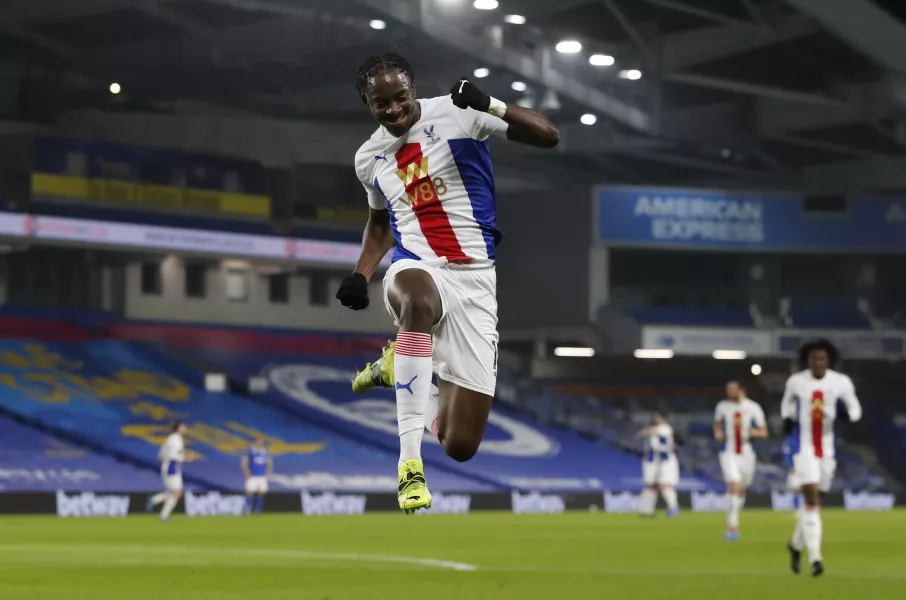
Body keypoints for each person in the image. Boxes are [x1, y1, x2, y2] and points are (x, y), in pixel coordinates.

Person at [335, 52, 559, 513]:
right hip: (418, 266)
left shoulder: (458, 112)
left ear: (412, 89)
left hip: (476, 281)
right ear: (366, 102)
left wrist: (489, 103)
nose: (394, 109)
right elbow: (380, 225)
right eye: (382, 103)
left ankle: (396, 366)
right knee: (415, 298)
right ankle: (409, 465)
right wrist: (361, 275)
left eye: (400, 98)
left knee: (460, 445)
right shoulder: (368, 158)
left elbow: (548, 135)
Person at [780, 339, 862, 576]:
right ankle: (816, 558)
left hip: (827, 450)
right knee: (812, 502)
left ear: (829, 360)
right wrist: (787, 418)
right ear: (806, 360)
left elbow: (856, 409)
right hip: (804, 447)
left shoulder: (840, 382)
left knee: (813, 504)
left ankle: (795, 544)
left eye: (822, 358)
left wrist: (849, 415)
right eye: (813, 358)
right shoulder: (797, 382)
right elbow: (787, 402)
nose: (818, 362)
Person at [713, 381, 768, 541]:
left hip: (746, 452)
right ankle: (732, 525)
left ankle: (732, 516)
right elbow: (717, 422)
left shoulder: (753, 408)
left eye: (732, 389)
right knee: (734, 484)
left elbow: (764, 431)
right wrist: (718, 432)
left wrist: (752, 432)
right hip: (728, 451)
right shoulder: (722, 407)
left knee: (742, 488)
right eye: (728, 389)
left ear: (741, 390)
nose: (729, 392)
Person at [636, 410, 680, 518]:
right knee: (651, 485)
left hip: (665, 459)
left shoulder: (665, 428)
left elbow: (649, 432)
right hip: (655, 460)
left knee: (664, 484)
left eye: (659, 417)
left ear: (664, 419)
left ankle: (673, 507)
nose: (656, 419)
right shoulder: (658, 429)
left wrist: (643, 432)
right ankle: (646, 510)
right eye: (655, 417)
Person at [146, 422, 186, 521]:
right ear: (178, 428)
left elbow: (160, 454)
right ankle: (163, 514)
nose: (185, 428)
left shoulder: (170, 439)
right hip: (172, 466)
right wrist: (183, 459)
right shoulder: (176, 439)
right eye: (183, 426)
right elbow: (175, 455)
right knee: (176, 492)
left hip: (169, 465)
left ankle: (155, 501)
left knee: (175, 492)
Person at [241, 437, 272, 515]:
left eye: (260, 442)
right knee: (250, 492)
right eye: (258, 442)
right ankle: (247, 509)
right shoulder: (250, 452)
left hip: (262, 476)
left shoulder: (265, 452)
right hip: (253, 476)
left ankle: (257, 510)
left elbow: (269, 464)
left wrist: (268, 474)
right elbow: (244, 463)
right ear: (255, 443)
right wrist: (247, 473)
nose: (259, 444)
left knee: (261, 493)